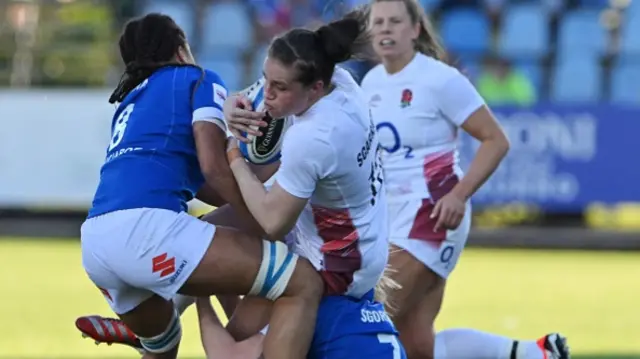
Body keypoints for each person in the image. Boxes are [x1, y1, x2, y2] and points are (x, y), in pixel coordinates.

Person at [76, 15, 407, 359]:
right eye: (266, 80)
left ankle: (160, 319)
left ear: (315, 87)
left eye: (278, 88)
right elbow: (248, 121)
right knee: (213, 239)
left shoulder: (315, 137)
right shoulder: (337, 82)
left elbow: (266, 217)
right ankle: (162, 317)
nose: (267, 93)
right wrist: (233, 104)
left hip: (335, 262)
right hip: (326, 231)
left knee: (237, 337)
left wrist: (233, 154)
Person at [360, 1, 570, 359]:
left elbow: (496, 140)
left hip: (433, 213)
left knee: (367, 319)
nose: (385, 29)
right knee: (415, 343)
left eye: (395, 21)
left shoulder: (440, 79)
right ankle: (536, 354)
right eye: (378, 22)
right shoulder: (370, 82)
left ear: (415, 29)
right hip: (390, 217)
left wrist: (459, 194)